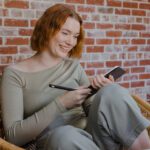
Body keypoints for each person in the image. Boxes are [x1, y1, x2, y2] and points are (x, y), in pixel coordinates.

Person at [1, 3, 150, 150]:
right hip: (61, 142)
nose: (71, 42)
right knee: (65, 136)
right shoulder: (14, 75)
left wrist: (99, 93)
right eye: (65, 33)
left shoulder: (73, 66)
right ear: (46, 30)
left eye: (75, 36)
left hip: (95, 139)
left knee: (112, 91)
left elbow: (92, 110)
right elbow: (13, 136)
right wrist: (61, 103)